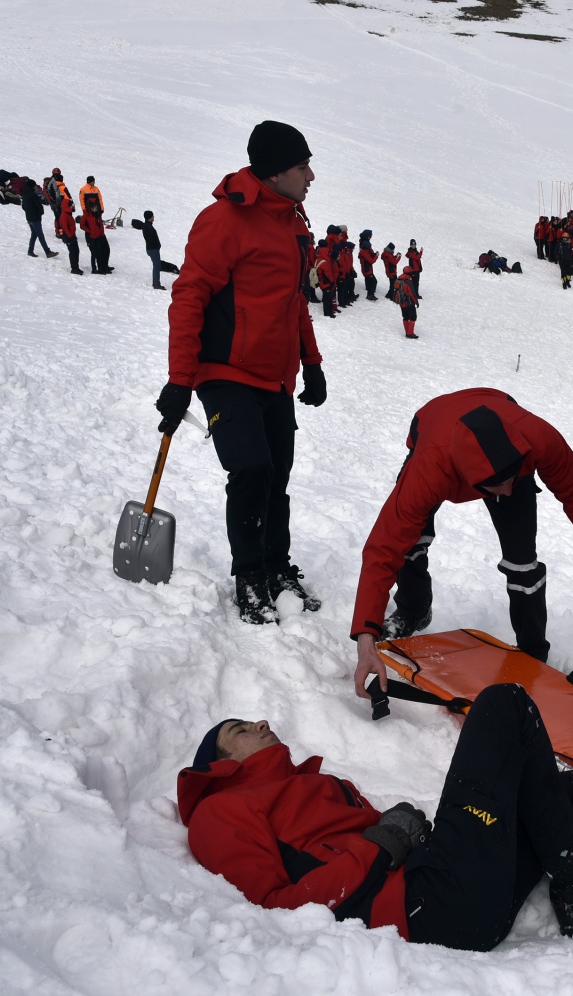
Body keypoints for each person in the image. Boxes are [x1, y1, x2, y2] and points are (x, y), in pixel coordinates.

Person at [179, 687, 573, 952]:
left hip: (446, 892)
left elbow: (365, 848)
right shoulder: (219, 812)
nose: (256, 722)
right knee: (502, 705)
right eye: (238, 730)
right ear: (221, 764)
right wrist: (381, 844)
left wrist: (398, 834)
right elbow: (276, 906)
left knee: (565, 787)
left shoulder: (314, 785)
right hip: (427, 908)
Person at [154, 119, 328, 625]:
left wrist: (312, 365)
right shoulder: (224, 221)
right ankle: (250, 575)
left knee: (277, 478)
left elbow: (295, 302)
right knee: (251, 470)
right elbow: (189, 296)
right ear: (275, 172)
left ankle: (277, 565)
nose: (311, 175)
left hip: (275, 377)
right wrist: (180, 378)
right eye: (302, 166)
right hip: (224, 372)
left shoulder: (294, 225)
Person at [351, 388, 573, 676]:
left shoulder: (537, 438)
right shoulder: (429, 470)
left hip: (502, 422)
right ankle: (413, 610)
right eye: (497, 487)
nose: (508, 492)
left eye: (513, 480)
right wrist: (366, 640)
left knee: (522, 562)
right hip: (433, 426)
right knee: (410, 540)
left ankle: (532, 652)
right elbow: (384, 547)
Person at [19, 178, 58, 258]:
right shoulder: (33, 195)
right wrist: (40, 212)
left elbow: (23, 207)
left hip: (29, 218)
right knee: (40, 235)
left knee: (34, 234)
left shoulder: (24, 194)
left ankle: (30, 250)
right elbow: (39, 206)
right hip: (35, 218)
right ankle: (47, 252)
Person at [130, 210, 165, 289]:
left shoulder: (147, 225)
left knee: (156, 265)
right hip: (153, 249)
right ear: (150, 217)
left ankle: (156, 283)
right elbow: (152, 239)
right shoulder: (148, 227)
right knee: (156, 266)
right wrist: (157, 246)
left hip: (152, 248)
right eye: (152, 216)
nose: (153, 217)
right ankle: (156, 284)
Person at [57, 195, 84, 275]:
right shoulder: (64, 215)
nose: (73, 206)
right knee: (73, 252)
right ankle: (74, 268)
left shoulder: (67, 214)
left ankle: (76, 267)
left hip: (71, 236)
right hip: (69, 237)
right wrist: (70, 237)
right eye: (71, 205)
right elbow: (65, 227)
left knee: (76, 251)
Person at [79, 206, 109, 273]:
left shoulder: (97, 215)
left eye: (96, 208)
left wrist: (101, 234)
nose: (96, 209)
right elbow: (82, 225)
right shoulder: (86, 215)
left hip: (98, 236)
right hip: (91, 237)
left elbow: (100, 225)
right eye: (94, 208)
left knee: (99, 252)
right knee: (94, 253)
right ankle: (94, 268)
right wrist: (89, 231)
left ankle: (101, 268)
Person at [396, 266, 419, 338]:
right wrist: (416, 302)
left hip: (401, 302)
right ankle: (410, 333)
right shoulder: (408, 281)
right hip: (409, 303)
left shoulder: (399, 279)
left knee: (405, 317)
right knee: (413, 317)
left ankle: (407, 332)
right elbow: (412, 294)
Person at [358, 230, 379, 300]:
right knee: (374, 281)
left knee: (368, 279)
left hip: (366, 268)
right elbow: (371, 261)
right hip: (367, 268)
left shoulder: (363, 246)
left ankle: (369, 291)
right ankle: (370, 294)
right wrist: (376, 256)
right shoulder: (364, 252)